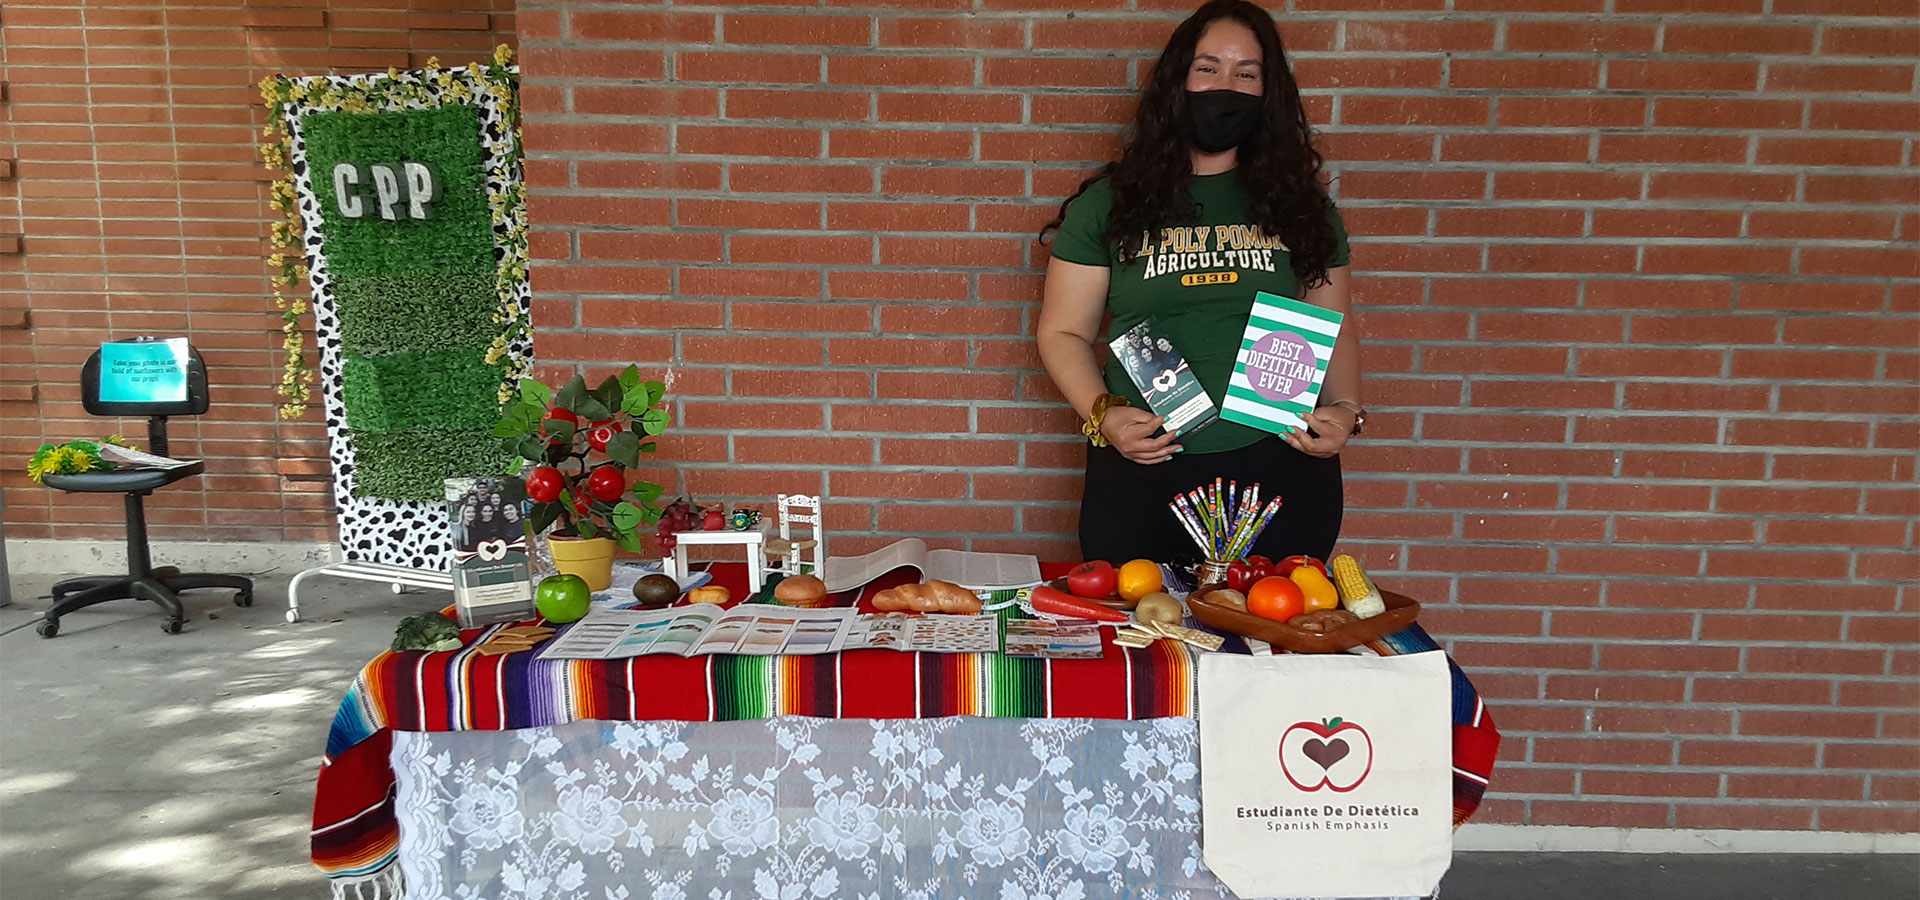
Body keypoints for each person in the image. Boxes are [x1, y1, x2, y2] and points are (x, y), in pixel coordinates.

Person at [1037, 0, 1364, 566]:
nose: (1225, 87)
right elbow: (1063, 331)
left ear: (1269, 91)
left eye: (1247, 73)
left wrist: (1346, 410)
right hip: (1147, 457)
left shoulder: (1303, 207)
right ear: (1177, 78)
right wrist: (1103, 414)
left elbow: (1333, 323)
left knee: (1268, 644)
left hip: (1279, 457)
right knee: (1142, 646)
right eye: (1207, 67)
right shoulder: (1111, 205)